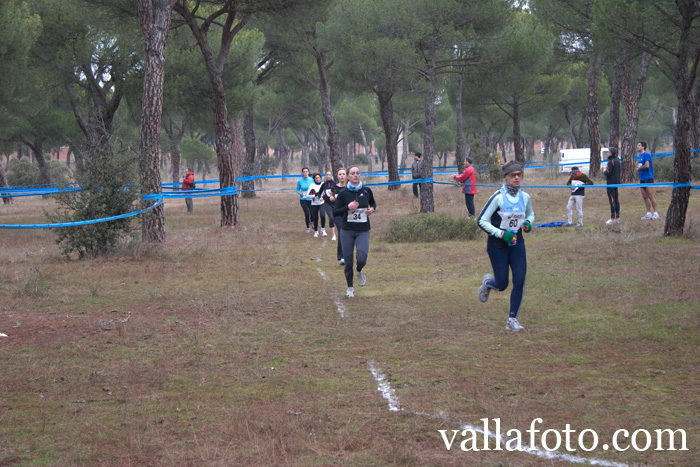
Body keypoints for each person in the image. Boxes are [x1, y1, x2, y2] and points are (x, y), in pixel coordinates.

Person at [477, 161, 535, 332]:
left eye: (519, 174)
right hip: (497, 245)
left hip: (517, 243)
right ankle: (488, 283)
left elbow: (531, 214)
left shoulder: (525, 197)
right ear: (506, 177)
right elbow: (481, 220)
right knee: (502, 284)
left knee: (520, 279)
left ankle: (512, 319)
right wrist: (501, 233)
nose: (517, 177)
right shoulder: (497, 198)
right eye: (513, 175)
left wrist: (528, 224)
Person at [333, 165, 376, 298]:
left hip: (363, 230)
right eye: (352, 173)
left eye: (357, 173)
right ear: (347, 176)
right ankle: (350, 288)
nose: (355, 175)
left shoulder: (367, 191)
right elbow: (335, 211)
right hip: (347, 231)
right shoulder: (343, 193)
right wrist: (348, 207)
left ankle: (359, 270)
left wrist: (371, 210)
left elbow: (373, 203)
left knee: (362, 258)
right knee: (348, 261)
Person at [329, 167, 347, 265]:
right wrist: (331, 198)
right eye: (340, 174)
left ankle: (348, 255)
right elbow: (331, 197)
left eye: (343, 174)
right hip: (337, 213)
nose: (342, 176)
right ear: (337, 176)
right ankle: (341, 257)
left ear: (346, 175)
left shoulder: (349, 187)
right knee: (341, 232)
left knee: (348, 234)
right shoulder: (334, 187)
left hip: (348, 213)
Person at [637, 141, 659, 219]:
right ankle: (648, 213)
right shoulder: (640, 156)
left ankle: (656, 213)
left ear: (643, 147)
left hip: (648, 178)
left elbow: (647, 165)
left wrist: (639, 168)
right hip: (642, 178)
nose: (637, 146)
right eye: (637, 145)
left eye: (639, 145)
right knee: (645, 196)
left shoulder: (646, 155)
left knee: (650, 196)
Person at [604, 148, 621, 224]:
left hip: (610, 183)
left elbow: (608, 173)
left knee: (612, 200)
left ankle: (612, 218)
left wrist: (604, 170)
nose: (607, 153)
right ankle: (617, 218)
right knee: (616, 200)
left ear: (611, 153)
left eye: (608, 152)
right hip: (616, 183)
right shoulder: (617, 161)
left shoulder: (610, 162)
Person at [307, 172, 326, 238]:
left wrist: (322, 197)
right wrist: (314, 195)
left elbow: (326, 193)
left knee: (323, 215)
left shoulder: (323, 184)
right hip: (314, 204)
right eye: (316, 178)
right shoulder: (312, 185)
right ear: (314, 179)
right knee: (315, 218)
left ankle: (323, 230)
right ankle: (316, 231)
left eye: (318, 177)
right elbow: (307, 195)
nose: (317, 179)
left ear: (320, 178)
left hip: (322, 203)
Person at [319, 171, 338, 241]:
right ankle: (333, 234)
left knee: (337, 218)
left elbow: (339, 193)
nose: (328, 176)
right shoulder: (324, 185)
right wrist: (320, 197)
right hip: (327, 204)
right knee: (331, 218)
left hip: (335, 204)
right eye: (327, 175)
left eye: (329, 175)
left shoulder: (336, 184)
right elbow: (319, 193)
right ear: (325, 176)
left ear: (331, 175)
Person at [296, 167, 313, 233]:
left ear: (308, 173)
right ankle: (308, 228)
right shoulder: (300, 181)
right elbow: (297, 189)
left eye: (306, 172)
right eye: (304, 172)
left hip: (311, 199)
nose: (305, 173)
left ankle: (312, 221)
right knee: (307, 213)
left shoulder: (312, 180)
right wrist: (300, 193)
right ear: (302, 173)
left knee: (312, 213)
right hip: (303, 199)